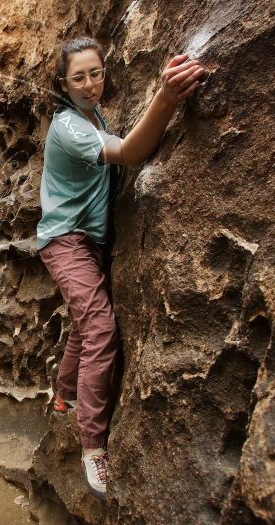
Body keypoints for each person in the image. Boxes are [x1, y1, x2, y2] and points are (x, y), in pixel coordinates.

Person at [36, 36, 205, 501]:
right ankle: (93, 446)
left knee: (81, 324)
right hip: (66, 240)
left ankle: (64, 396)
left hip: (86, 240)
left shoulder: (94, 116)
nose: (91, 83)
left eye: (96, 72)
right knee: (101, 328)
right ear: (62, 84)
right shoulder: (69, 127)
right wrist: (167, 98)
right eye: (79, 77)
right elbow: (131, 153)